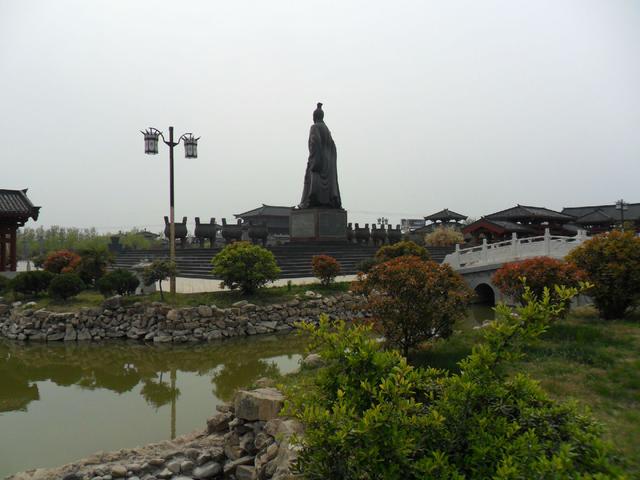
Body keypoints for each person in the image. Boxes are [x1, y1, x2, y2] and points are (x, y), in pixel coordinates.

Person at [299, 103, 342, 209]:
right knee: (327, 189)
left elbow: (315, 142)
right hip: (328, 163)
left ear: (314, 117)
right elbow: (333, 147)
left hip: (317, 160)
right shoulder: (327, 130)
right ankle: (328, 200)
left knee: (312, 183)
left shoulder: (314, 127)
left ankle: (309, 201)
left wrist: (314, 160)